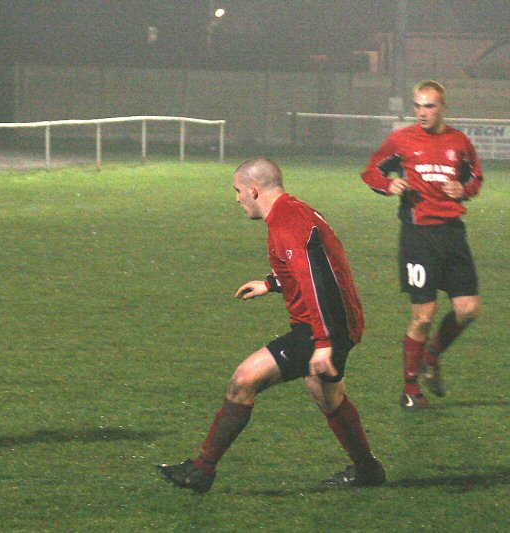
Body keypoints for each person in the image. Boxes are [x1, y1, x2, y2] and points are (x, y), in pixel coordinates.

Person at [158, 158, 385, 492]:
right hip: (334, 323)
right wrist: (272, 283)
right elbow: (316, 266)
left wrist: (323, 342)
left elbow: (316, 282)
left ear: (253, 189)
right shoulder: (295, 212)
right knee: (329, 399)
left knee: (243, 380)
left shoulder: (287, 223)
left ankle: (202, 470)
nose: (237, 199)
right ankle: (368, 470)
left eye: (238, 191)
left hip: (322, 327)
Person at [362, 80, 482, 411]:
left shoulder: (459, 142)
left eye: (428, 106)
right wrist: (389, 184)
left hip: (452, 234)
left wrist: (464, 189)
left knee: (468, 309)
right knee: (423, 317)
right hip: (418, 237)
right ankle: (411, 390)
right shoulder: (402, 140)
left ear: (443, 107)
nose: (422, 112)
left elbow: (475, 178)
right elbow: (370, 171)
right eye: (417, 106)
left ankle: (432, 357)